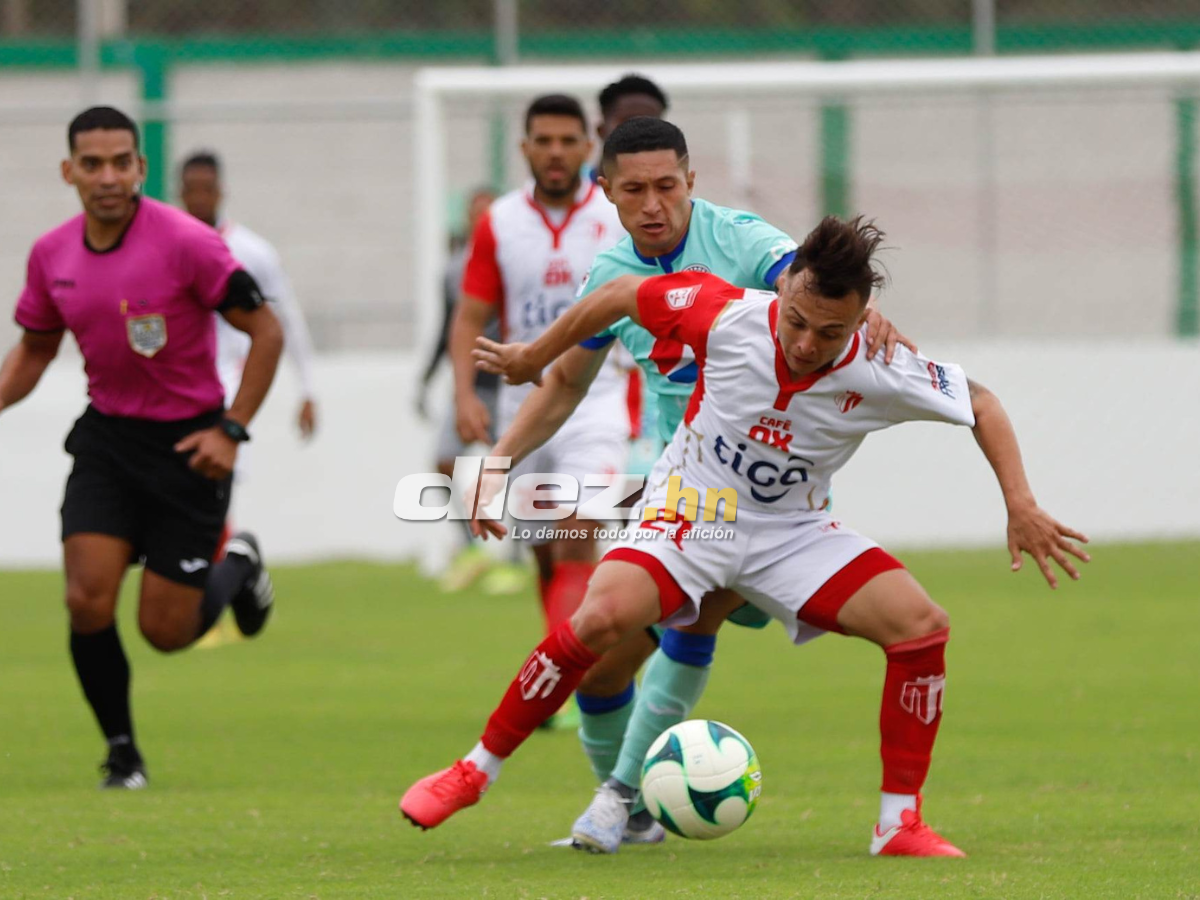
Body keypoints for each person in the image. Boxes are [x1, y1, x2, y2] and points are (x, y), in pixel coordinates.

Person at [401, 216, 1090, 858]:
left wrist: (1020, 504)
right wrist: (533, 356)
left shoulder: (881, 364)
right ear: (783, 285)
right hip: (690, 511)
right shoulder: (721, 312)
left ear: (861, 317)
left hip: (792, 531)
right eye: (797, 321)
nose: (806, 343)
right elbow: (616, 295)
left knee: (921, 627)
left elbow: (981, 402)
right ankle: (474, 771)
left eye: (831, 332)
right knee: (603, 617)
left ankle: (897, 822)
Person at [470, 115, 912, 848]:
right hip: (673, 489)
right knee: (602, 673)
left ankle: (617, 803)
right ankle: (637, 807)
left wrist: (869, 315)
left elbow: (806, 283)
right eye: (635, 189)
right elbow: (563, 385)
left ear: (690, 183)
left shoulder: (738, 240)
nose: (654, 204)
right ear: (605, 190)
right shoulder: (610, 277)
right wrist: (496, 460)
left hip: (763, 498)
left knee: (691, 618)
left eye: (668, 187)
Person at [0, 107, 283, 789]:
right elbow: (36, 351)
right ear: (68, 171)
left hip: (190, 446)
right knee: (86, 600)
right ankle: (122, 753)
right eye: (91, 164)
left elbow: (266, 332)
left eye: (120, 162)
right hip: (108, 441)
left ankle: (239, 566)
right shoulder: (51, 254)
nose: (107, 177)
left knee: (165, 630)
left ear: (140, 168)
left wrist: (233, 429)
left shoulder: (189, 243)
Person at [449, 94, 628, 643]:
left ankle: (573, 682)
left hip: (600, 399)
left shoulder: (614, 214)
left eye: (567, 141)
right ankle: (559, 669)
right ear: (524, 147)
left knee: (579, 535)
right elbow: (470, 316)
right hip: (522, 406)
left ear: (588, 146)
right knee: (546, 556)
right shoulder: (498, 222)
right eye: (543, 141)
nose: (555, 153)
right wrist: (463, 394)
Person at [178, 151, 318, 446]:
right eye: (193, 189)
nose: (200, 197)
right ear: (181, 193)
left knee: (218, 469)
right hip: (178, 386)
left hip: (232, 386)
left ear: (221, 192)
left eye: (208, 188)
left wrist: (307, 390)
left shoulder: (253, 252)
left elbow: (287, 319)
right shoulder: (164, 249)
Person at [414, 186, 510, 593]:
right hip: (470, 386)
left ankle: (520, 556)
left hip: (509, 386)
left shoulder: (516, 260)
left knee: (518, 467)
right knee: (444, 462)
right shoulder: (455, 269)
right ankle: (472, 549)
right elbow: (448, 327)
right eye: (477, 214)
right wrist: (428, 378)